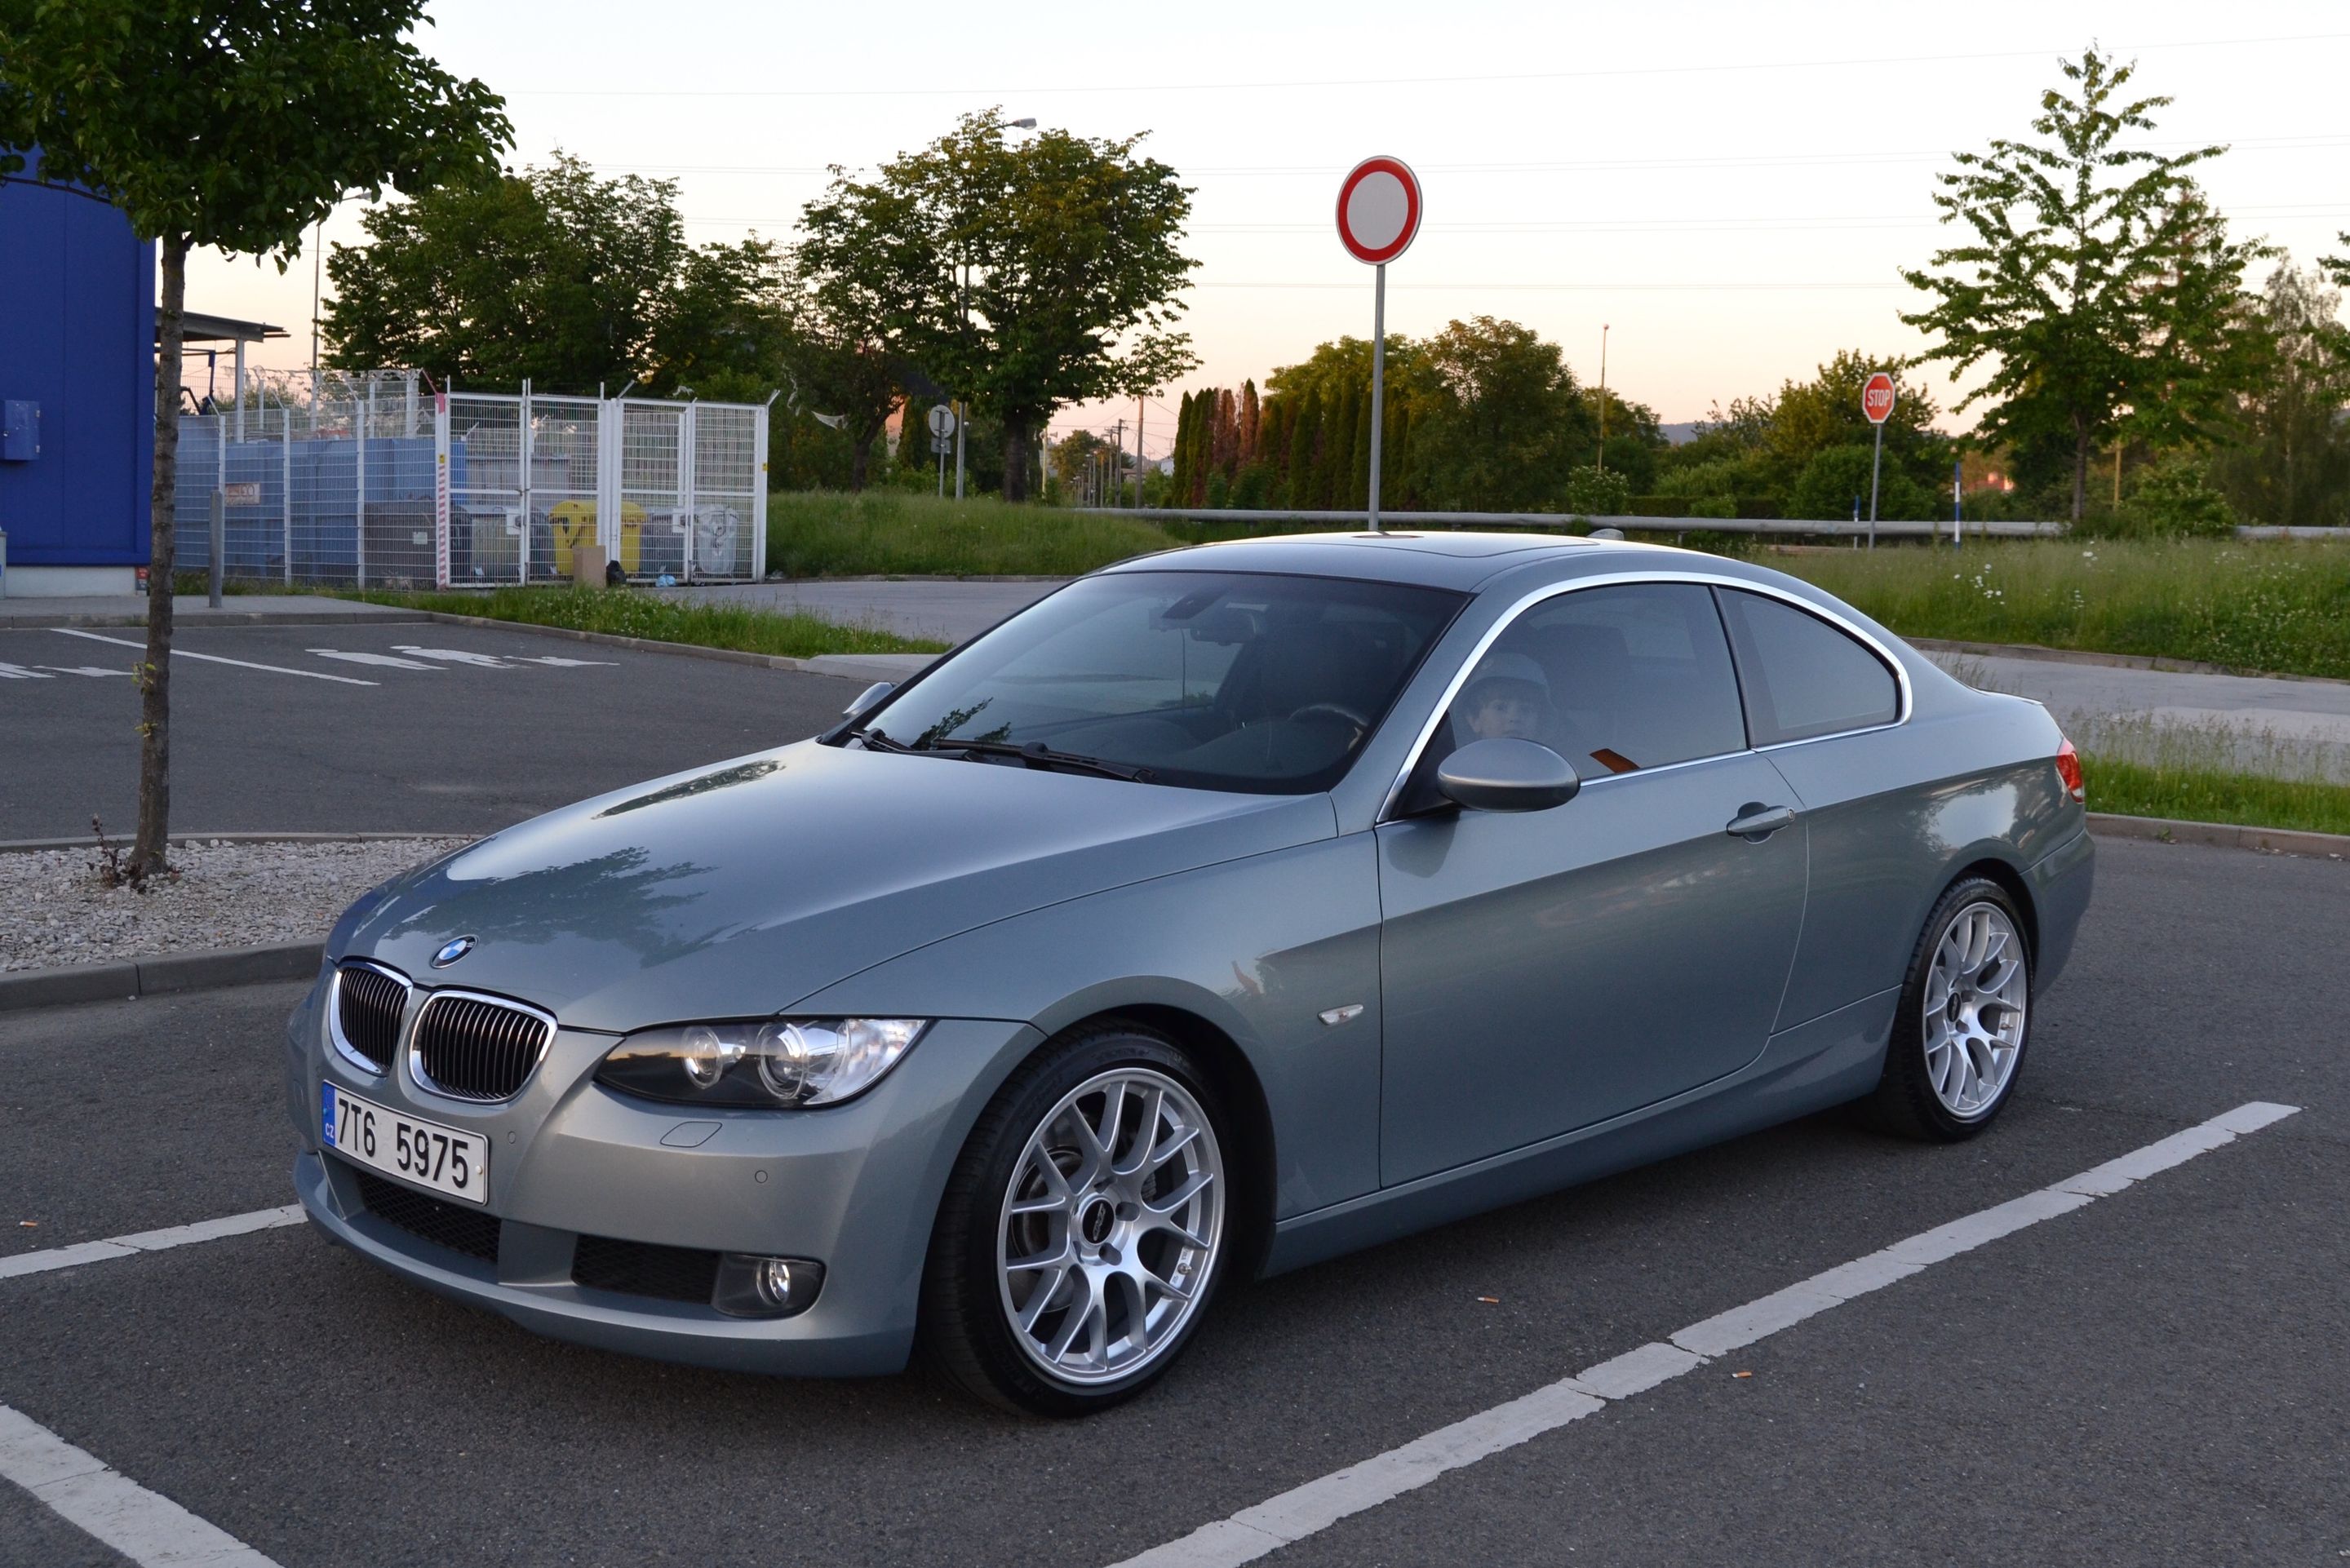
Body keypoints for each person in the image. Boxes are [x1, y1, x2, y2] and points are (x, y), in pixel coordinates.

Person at [1455, 651, 1550, 742]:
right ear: (1474, 720)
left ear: (1539, 722)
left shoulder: (1547, 759)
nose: (1514, 718)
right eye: (1500, 708)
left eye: (1526, 709)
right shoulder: (1463, 759)